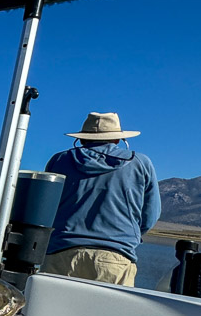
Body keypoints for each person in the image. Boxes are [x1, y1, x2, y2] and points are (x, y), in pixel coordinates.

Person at [42, 111, 161, 286]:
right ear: (117, 139)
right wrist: (127, 235)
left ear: (82, 139)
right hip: (116, 259)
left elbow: (44, 209)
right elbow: (151, 215)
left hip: (61, 253)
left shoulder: (59, 161)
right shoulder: (140, 164)